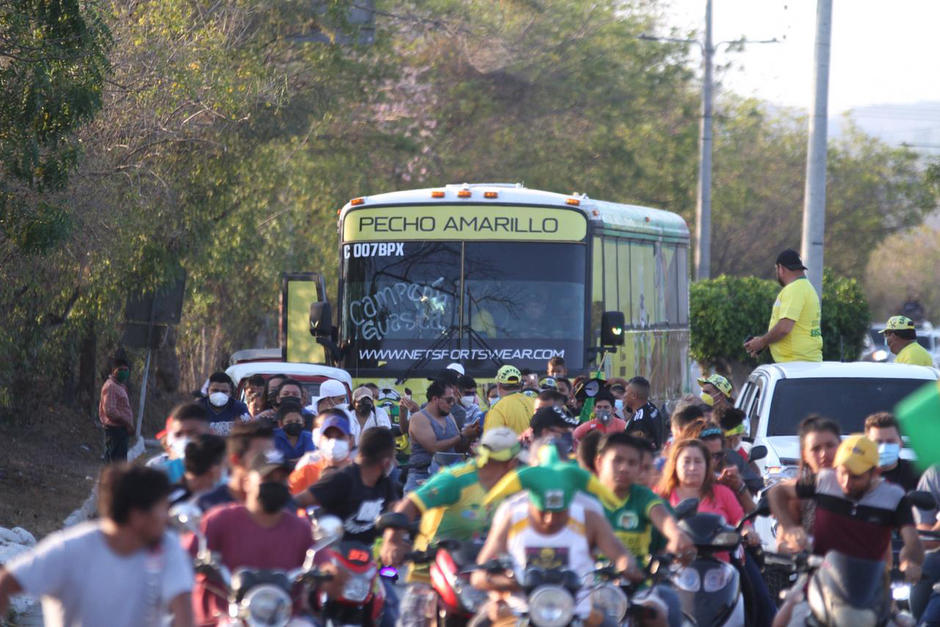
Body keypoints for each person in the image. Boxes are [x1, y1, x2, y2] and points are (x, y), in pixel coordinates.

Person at [0, 465, 194, 626]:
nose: (168, 517)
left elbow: (184, 610)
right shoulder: (69, 550)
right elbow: (5, 583)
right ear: (137, 516)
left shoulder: (167, 546)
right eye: (163, 508)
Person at [470, 464, 648, 626]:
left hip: (579, 613)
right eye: (543, 511)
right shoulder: (512, 518)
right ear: (531, 500)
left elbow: (620, 555)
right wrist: (507, 583)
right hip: (518, 613)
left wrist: (626, 566)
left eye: (559, 512)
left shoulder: (589, 519)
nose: (550, 519)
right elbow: (478, 575)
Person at [381, 428, 521, 625]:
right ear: (511, 462)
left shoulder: (515, 487)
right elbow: (410, 503)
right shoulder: (456, 479)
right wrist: (392, 541)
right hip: (430, 575)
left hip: (483, 579)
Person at [769, 435, 923, 579]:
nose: (846, 482)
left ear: (874, 472)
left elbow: (912, 541)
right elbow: (777, 492)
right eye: (843, 472)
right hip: (821, 580)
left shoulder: (893, 497)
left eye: (856, 476)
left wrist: (909, 563)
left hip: (871, 582)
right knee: (790, 606)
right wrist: (789, 528)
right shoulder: (824, 481)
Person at [188, 449, 315, 625]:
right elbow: (186, 554)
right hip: (225, 617)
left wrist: (330, 572)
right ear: (247, 482)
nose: (275, 484)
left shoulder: (301, 527)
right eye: (268, 478)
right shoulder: (218, 520)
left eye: (281, 479)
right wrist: (197, 564)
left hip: (283, 618)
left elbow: (322, 563)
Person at [595, 433, 694, 627]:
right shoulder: (586, 498)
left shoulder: (643, 497)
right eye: (617, 461)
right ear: (599, 462)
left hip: (638, 588)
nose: (624, 468)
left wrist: (677, 536)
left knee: (657, 612)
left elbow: (663, 519)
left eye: (632, 463)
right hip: (589, 588)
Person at [296, 427, 399, 545]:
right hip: (335, 557)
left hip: (370, 558)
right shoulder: (341, 479)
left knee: (392, 564)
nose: (395, 462)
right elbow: (298, 501)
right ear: (386, 462)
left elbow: (396, 511)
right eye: (393, 457)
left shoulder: (385, 484)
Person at [744, 248, 822, 363]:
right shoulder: (805, 287)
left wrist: (762, 342)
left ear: (781, 268)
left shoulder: (794, 289)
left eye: (776, 269)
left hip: (795, 364)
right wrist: (764, 342)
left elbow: (784, 328)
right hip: (803, 362)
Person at [404, 380, 478, 493]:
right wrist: (462, 435)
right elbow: (433, 448)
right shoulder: (419, 418)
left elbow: (458, 449)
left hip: (447, 477)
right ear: (435, 399)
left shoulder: (450, 417)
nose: (452, 404)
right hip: (422, 477)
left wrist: (470, 436)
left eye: (454, 400)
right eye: (449, 400)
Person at [196, 421, 274, 512]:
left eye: (271, 454)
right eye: (260, 455)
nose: (269, 461)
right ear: (236, 460)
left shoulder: (280, 504)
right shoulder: (207, 505)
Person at [288, 410, 355, 495]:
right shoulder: (307, 470)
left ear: (351, 440)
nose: (333, 442)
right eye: (328, 436)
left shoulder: (362, 471)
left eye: (339, 437)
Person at [148, 402, 212, 483]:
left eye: (193, 433)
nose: (185, 440)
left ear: (210, 433)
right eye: (178, 434)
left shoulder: (226, 472)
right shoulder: (157, 472)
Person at [864, 411, 921, 491]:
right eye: (878, 442)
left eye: (890, 441)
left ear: (901, 443)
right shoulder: (855, 474)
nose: (884, 447)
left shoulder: (917, 475)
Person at [169, 434, 227, 508]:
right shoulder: (170, 501)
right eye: (224, 465)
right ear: (213, 470)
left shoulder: (225, 495)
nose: (226, 471)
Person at [99, 356, 135, 462]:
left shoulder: (120, 386)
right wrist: (127, 423)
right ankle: (110, 478)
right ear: (113, 371)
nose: (124, 372)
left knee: (120, 460)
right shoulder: (110, 387)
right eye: (120, 370)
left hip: (121, 429)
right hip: (115, 430)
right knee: (114, 460)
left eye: (126, 370)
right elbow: (110, 411)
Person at [483, 365, 535, 434]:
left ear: (499, 385)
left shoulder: (498, 408)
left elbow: (491, 440)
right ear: (521, 385)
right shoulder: (535, 402)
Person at [622, 376, 666, 448]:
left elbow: (636, 447)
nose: (624, 395)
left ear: (633, 396)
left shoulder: (639, 419)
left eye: (626, 392)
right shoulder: (652, 408)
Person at [273, 400, 316, 466]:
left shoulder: (308, 436)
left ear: (303, 423)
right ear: (281, 424)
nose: (294, 424)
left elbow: (311, 457)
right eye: (289, 422)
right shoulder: (274, 436)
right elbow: (274, 459)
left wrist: (287, 461)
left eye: (298, 421)